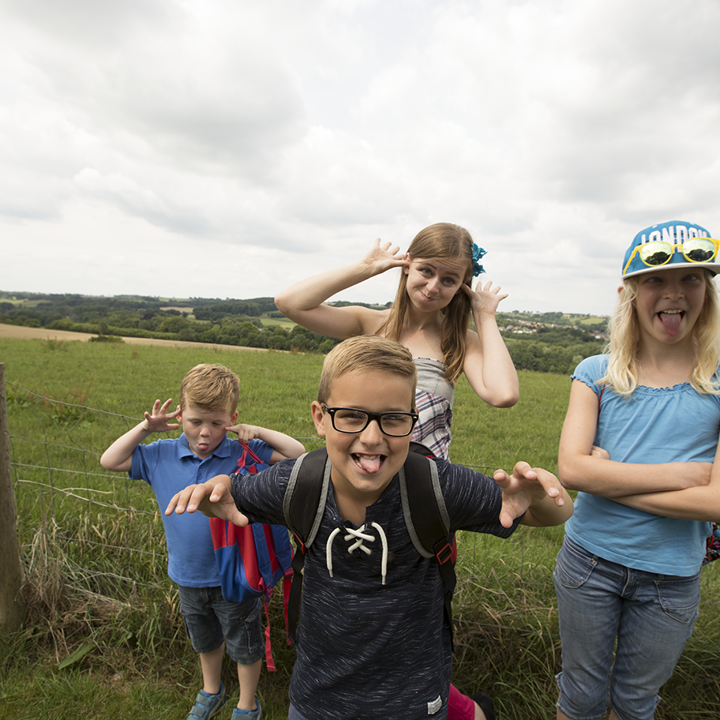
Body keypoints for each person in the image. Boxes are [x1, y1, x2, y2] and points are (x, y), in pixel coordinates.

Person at [165, 336, 573, 720]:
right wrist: (215, 498)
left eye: (393, 418)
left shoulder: (436, 486)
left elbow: (541, 514)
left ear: (411, 423)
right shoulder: (297, 483)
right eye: (352, 416)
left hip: (412, 700)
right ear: (320, 418)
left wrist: (540, 500)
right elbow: (232, 499)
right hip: (316, 698)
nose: (372, 437)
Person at [554, 220, 720, 720]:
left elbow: (716, 503)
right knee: (579, 695)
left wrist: (608, 480)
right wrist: (684, 475)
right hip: (589, 564)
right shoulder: (595, 373)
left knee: (634, 703)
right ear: (629, 292)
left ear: (707, 291)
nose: (674, 293)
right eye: (655, 281)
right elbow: (571, 469)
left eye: (692, 278)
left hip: (671, 578)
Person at [100, 363, 305, 720]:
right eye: (196, 422)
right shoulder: (161, 453)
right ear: (180, 416)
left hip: (237, 577)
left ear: (233, 418)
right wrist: (146, 428)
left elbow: (297, 454)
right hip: (188, 574)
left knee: (245, 642)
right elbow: (109, 460)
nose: (206, 433)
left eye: (217, 422)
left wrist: (256, 431)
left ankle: (247, 703)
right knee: (205, 639)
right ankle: (212, 689)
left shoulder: (243, 451)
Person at [274, 222, 519, 461]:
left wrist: (485, 315)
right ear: (407, 265)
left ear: (461, 287)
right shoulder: (370, 323)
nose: (433, 286)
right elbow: (290, 303)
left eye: (448, 280)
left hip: (424, 479)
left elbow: (503, 395)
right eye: (426, 270)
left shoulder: (459, 341)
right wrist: (364, 267)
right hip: (361, 464)